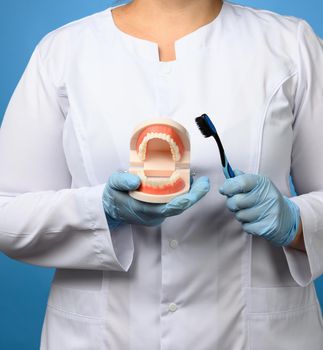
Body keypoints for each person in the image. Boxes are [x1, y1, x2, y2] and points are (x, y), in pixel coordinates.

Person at [0, 0, 323, 348]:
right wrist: (99, 212)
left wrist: (295, 223)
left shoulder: (290, 45)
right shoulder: (62, 53)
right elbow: (7, 212)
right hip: (102, 337)